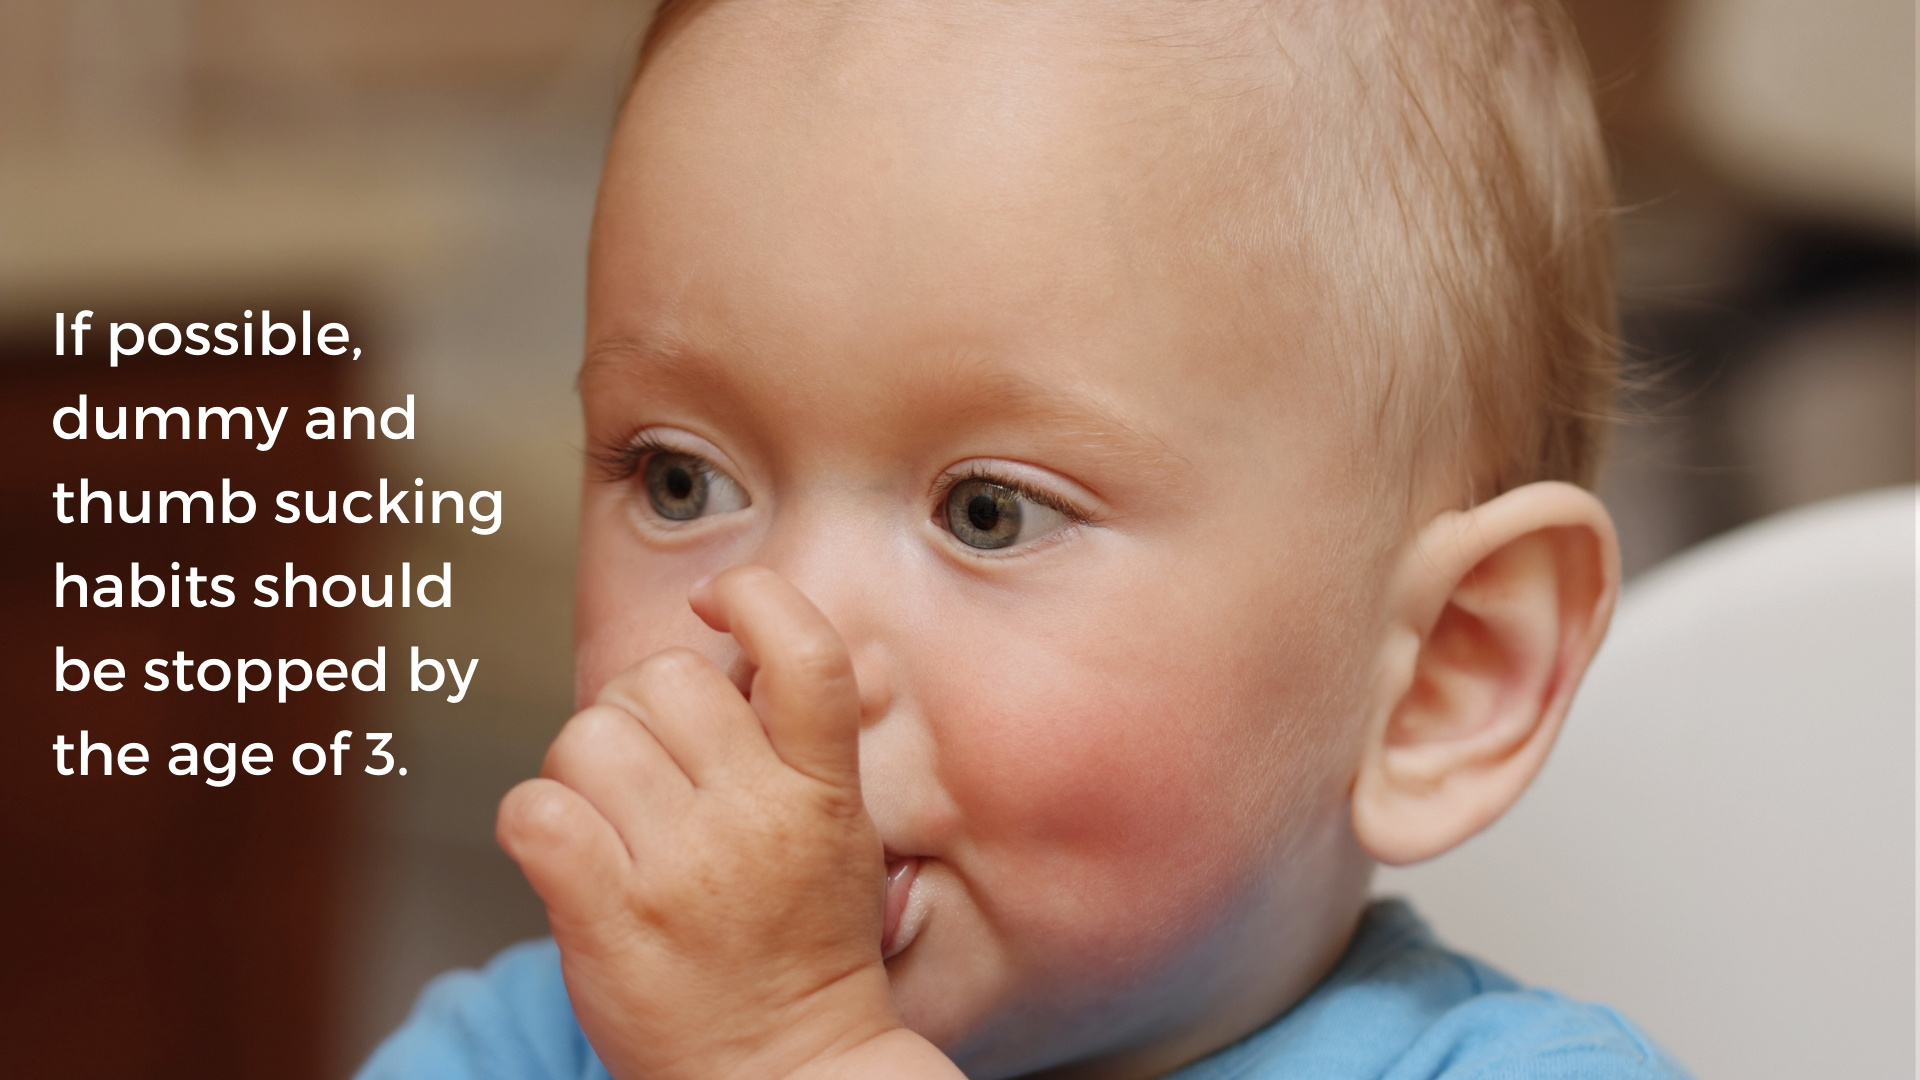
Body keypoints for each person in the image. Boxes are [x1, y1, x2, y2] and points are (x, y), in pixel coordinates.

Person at [359, 0, 1692, 1076]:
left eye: (987, 512)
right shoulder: (521, 1047)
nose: (782, 636)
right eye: (678, 481)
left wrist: (796, 1058)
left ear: (1446, 676)